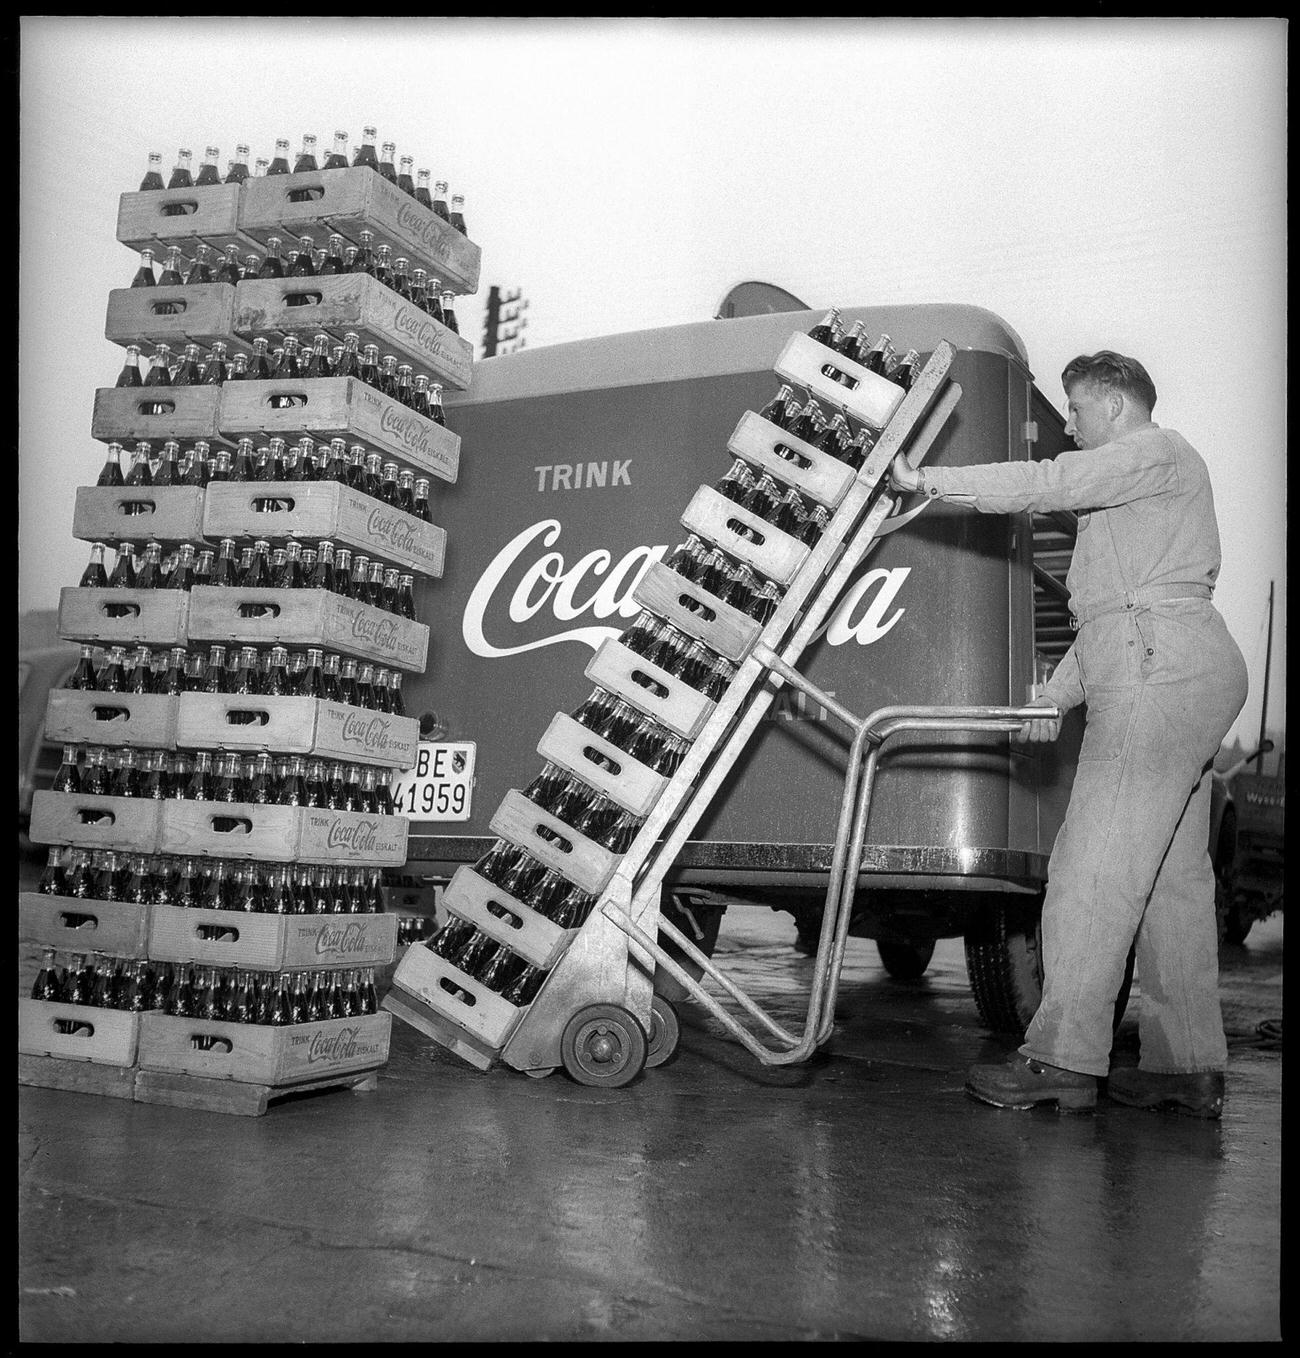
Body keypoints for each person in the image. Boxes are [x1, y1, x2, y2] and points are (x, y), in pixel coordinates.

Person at [889, 351, 1248, 1118]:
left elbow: (1050, 483)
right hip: (1173, 660)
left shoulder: (1152, 451)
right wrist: (1053, 700)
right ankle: (1185, 1069)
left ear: (1115, 404)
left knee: (1090, 871)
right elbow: (1107, 622)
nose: (1072, 429)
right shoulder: (1134, 503)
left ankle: (1062, 1061)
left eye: (1078, 411)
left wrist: (928, 481)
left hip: (1158, 667)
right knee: (1168, 885)